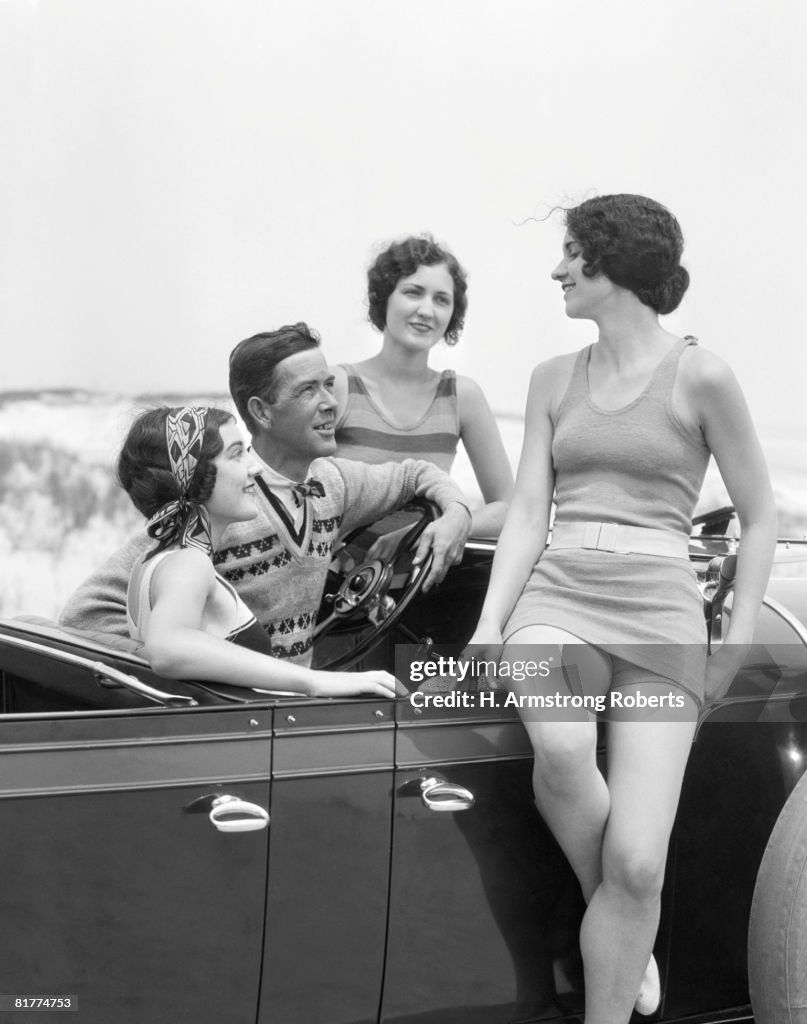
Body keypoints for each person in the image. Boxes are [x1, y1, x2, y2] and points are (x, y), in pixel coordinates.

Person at [466, 194, 776, 1023]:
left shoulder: (701, 373)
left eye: (570, 254)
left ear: (611, 263)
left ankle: (623, 925)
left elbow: (760, 514)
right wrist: (493, 619)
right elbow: (528, 511)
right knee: (563, 752)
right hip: (556, 597)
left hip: (663, 615)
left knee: (641, 866)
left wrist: (737, 632)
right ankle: (621, 916)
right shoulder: (548, 380)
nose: (557, 270)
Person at [61, 323, 473, 684]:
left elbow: (415, 475)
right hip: (234, 710)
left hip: (285, 704)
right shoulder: (216, 505)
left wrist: (456, 513)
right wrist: (165, 665)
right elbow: (86, 615)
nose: (330, 403)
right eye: (308, 390)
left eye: (329, 384)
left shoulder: (335, 482)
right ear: (261, 412)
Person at [332, 235, 513, 537]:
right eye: (413, 293)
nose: (427, 311)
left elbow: (508, 507)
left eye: (441, 299)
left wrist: (443, 528)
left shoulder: (462, 396)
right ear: (383, 297)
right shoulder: (337, 386)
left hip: (425, 580)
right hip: (336, 578)